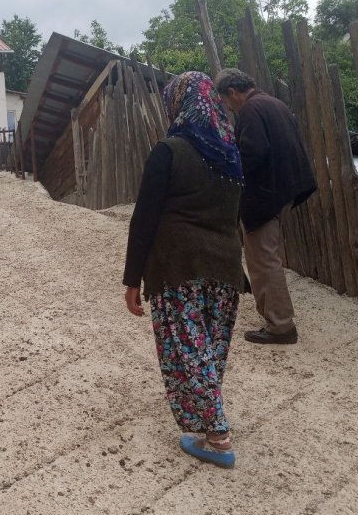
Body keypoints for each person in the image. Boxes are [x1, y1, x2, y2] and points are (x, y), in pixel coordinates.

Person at [123, 71, 244, 469]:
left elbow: (144, 219)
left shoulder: (169, 150)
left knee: (188, 350)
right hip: (225, 264)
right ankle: (206, 420)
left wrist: (132, 279)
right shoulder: (229, 153)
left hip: (178, 266)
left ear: (177, 104)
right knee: (208, 349)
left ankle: (218, 437)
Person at [215, 68, 316, 345]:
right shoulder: (275, 103)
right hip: (284, 190)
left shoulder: (250, 110)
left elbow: (253, 153)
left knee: (262, 260)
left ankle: (280, 326)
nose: (228, 106)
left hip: (264, 195)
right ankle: (278, 319)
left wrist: (230, 172)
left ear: (233, 92)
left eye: (226, 100)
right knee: (266, 256)